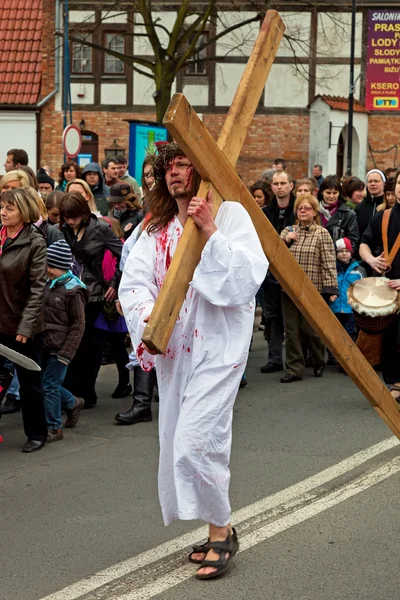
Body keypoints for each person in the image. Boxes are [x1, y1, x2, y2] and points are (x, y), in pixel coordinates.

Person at [119, 142, 268, 579]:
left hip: (219, 347)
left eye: (185, 164)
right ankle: (215, 525)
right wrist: (151, 319)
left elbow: (246, 278)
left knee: (196, 440)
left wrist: (210, 232)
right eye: (169, 166)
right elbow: (133, 283)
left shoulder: (230, 214)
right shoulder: (154, 227)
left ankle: (222, 532)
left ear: (202, 170)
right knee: (181, 441)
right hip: (175, 350)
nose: (175, 172)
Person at [60, 193, 123, 407]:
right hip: (69, 291)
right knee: (73, 343)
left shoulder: (101, 229)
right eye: (67, 217)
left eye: (74, 217)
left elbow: (125, 254)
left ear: (84, 213)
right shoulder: (63, 229)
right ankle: (72, 392)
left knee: (86, 343)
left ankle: (86, 392)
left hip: (93, 293)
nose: (70, 221)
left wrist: (114, 283)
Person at [0, 188, 48, 452]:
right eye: (2, 207)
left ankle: (37, 433)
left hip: (22, 325)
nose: (3, 213)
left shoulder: (34, 241)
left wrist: (26, 326)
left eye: (10, 208)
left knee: (29, 383)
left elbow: (38, 288)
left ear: (24, 211)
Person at [279, 194, 338, 383]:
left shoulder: (322, 233)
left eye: (307, 208)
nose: (303, 211)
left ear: (315, 212)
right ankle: (294, 368)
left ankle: (319, 358)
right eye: (300, 208)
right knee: (291, 331)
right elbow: (276, 256)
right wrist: (286, 241)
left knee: (310, 330)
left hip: (313, 290)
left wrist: (331, 289)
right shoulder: (287, 231)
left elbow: (328, 262)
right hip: (289, 290)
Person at [359, 169, 400, 401]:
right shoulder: (383, 217)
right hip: (387, 287)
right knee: (388, 336)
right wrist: (371, 259)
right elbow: (364, 243)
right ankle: (395, 382)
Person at [42, 239, 88, 442]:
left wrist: (66, 353)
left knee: (49, 385)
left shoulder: (73, 290)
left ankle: (54, 428)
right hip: (45, 343)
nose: (47, 270)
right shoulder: (47, 284)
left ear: (62, 267)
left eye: (51, 266)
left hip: (61, 349)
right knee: (47, 383)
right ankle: (72, 402)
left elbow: (79, 325)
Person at [260, 171, 295, 373]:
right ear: (272, 187)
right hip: (270, 272)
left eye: (283, 183)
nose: (280, 187)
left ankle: (297, 357)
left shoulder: (299, 209)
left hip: (295, 270)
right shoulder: (265, 212)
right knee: (272, 316)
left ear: (291, 186)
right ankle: (274, 358)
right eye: (276, 183)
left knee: (294, 317)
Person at [94, 216, 132, 399]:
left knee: (117, 345)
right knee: (99, 343)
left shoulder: (122, 247)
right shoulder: (98, 248)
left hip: (116, 301)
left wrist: (114, 288)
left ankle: (124, 382)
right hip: (102, 300)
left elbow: (123, 271)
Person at [329, 237, 366, 345]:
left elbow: (364, 290)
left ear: (351, 253)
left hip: (350, 309)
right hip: (333, 308)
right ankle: (332, 358)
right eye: (340, 251)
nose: (344, 254)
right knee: (333, 334)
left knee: (349, 333)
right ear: (335, 253)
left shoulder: (358, 270)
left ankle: (349, 358)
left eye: (347, 251)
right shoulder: (331, 269)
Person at [318, 175, 359, 252]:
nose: (331, 196)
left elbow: (353, 240)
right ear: (321, 192)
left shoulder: (348, 214)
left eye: (335, 193)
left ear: (339, 193)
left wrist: (344, 256)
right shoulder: (313, 211)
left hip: (339, 259)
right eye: (328, 192)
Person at [355, 169, 385, 237]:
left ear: (384, 183)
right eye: (370, 181)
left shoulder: (389, 206)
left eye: (376, 181)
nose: (373, 184)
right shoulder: (360, 207)